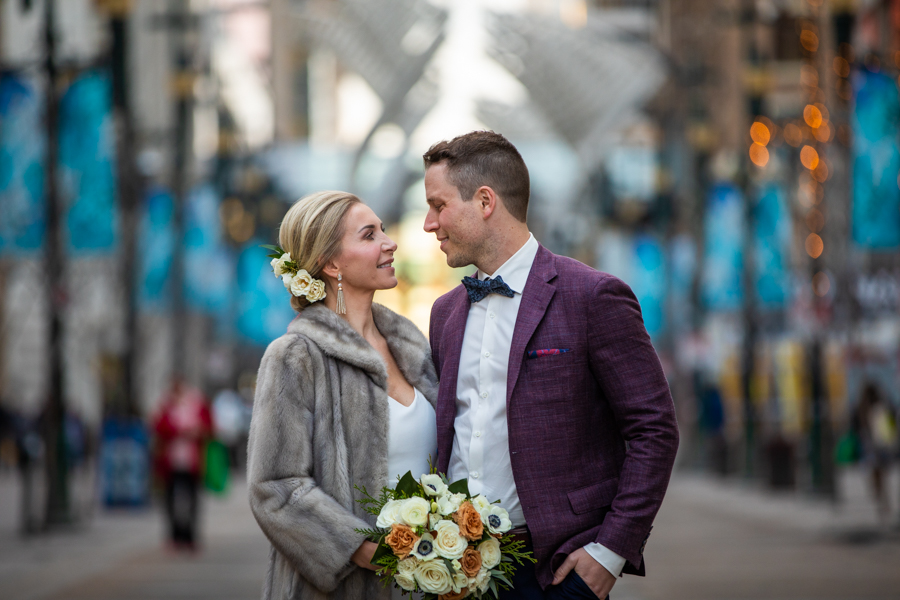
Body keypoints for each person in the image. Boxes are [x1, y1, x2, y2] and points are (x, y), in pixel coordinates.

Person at [423, 131, 679, 600]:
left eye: (438, 206)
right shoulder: (445, 314)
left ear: (484, 202)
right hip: (455, 571)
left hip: (556, 576)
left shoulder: (593, 296)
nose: (427, 223)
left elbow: (654, 430)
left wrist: (610, 552)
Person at [247, 191, 439, 600]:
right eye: (369, 235)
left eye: (384, 229)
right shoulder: (296, 356)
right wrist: (366, 550)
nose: (390, 242)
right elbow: (276, 486)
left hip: (429, 584)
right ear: (331, 263)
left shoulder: (413, 348)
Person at [152, 378, 213, 551]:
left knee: (193, 499)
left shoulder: (197, 404)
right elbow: (159, 427)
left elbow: (209, 427)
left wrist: (198, 432)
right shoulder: (166, 405)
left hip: (192, 461)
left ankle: (190, 535)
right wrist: (180, 431)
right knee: (170, 499)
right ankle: (174, 535)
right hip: (171, 461)